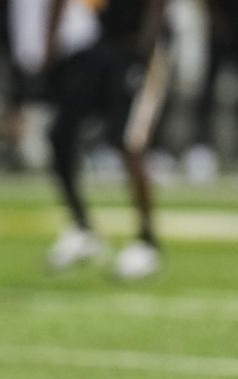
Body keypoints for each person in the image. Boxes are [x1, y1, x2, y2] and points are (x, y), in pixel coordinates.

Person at [43, 0, 168, 280]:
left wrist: (145, 49)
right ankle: (81, 227)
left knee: (130, 143)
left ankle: (147, 242)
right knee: (60, 133)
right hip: (103, 46)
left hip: (141, 47)